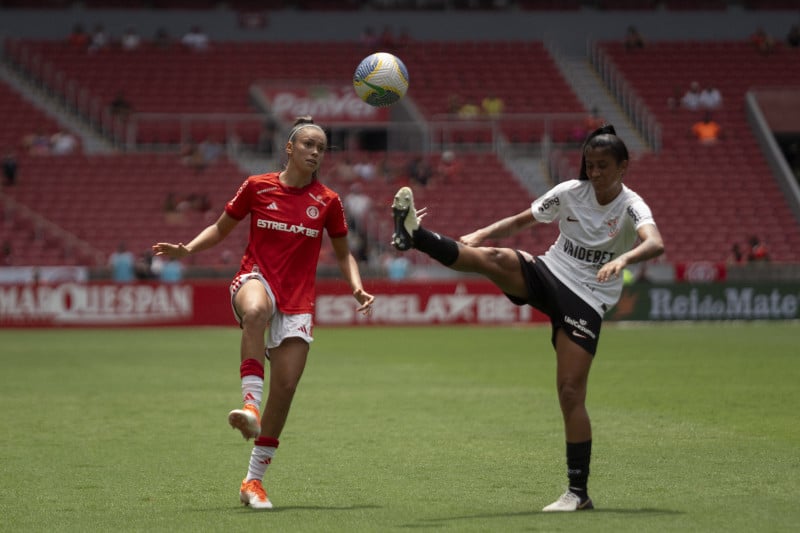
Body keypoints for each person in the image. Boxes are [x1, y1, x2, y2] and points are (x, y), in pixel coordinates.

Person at [389, 125, 664, 512]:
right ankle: (415, 235)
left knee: (570, 393)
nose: (595, 172)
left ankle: (578, 493)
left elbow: (655, 242)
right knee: (496, 258)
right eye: (590, 165)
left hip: (586, 300)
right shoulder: (570, 192)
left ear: (623, 166)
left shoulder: (632, 204)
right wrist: (479, 234)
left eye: (603, 166)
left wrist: (623, 258)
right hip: (550, 273)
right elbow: (522, 220)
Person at [152, 116, 375, 511]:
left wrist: (356, 286)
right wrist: (187, 249)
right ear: (289, 148)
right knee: (254, 310)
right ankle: (249, 405)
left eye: (322, 148)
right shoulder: (257, 186)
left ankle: (253, 482)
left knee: (286, 389)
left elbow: (344, 253)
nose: (315, 153)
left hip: (298, 301)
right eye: (308, 144)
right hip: (255, 279)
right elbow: (221, 229)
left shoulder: (328, 201)